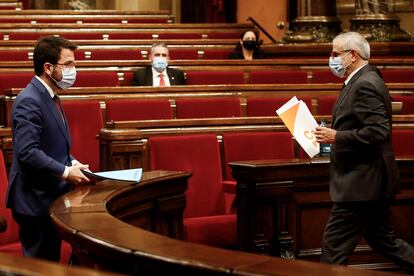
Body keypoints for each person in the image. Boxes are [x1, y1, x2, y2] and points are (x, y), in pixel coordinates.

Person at [315, 31, 414, 273]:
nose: (332, 59)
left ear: (353, 55)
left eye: (335, 54)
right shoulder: (363, 80)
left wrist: (337, 137)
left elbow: (379, 131)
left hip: (361, 184)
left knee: (333, 250)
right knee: (386, 242)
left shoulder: (365, 84)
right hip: (370, 182)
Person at [6, 36, 90, 262]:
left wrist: (71, 162)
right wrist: (65, 172)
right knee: (41, 267)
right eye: (69, 64)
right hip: (35, 200)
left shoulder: (50, 96)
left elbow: (52, 143)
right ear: (48, 68)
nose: (74, 69)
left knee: (52, 262)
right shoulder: (29, 100)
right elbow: (27, 152)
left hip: (50, 196)